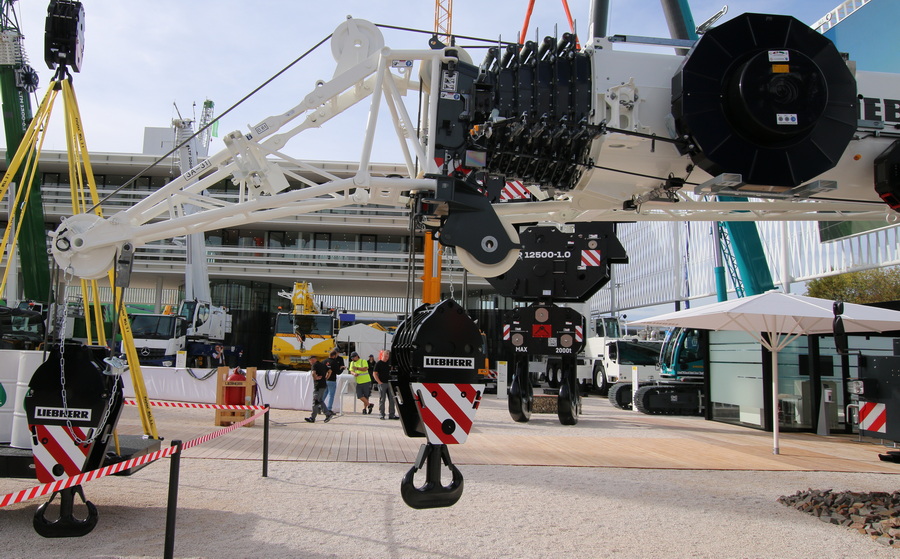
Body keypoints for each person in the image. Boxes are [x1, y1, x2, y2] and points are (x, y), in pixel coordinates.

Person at [305, 356, 334, 423]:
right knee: (319, 400)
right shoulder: (322, 364)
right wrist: (327, 377)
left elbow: (313, 373)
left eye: (310, 360)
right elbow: (330, 371)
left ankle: (313, 418)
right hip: (323, 385)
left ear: (313, 360)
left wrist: (315, 378)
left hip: (318, 386)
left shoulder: (314, 365)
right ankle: (327, 414)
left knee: (315, 401)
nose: (309, 362)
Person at [373, 350, 398, 420]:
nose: (386, 358)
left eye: (388, 356)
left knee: (392, 399)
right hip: (382, 383)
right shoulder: (378, 363)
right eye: (385, 356)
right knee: (382, 399)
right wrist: (379, 382)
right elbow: (374, 373)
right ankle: (382, 414)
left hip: (390, 383)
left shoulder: (389, 364)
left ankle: (392, 414)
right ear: (382, 355)